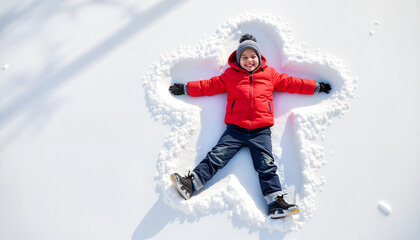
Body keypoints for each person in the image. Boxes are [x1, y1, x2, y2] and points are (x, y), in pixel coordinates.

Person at [168, 34, 331, 219]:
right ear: (238, 60)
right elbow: (210, 85)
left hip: (260, 131)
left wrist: (316, 87)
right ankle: (191, 184)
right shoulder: (230, 75)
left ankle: (275, 203)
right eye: (244, 57)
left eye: (252, 56)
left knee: (266, 165)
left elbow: (292, 83)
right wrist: (186, 88)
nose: (249, 61)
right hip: (235, 130)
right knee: (216, 157)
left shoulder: (270, 74)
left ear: (259, 57)